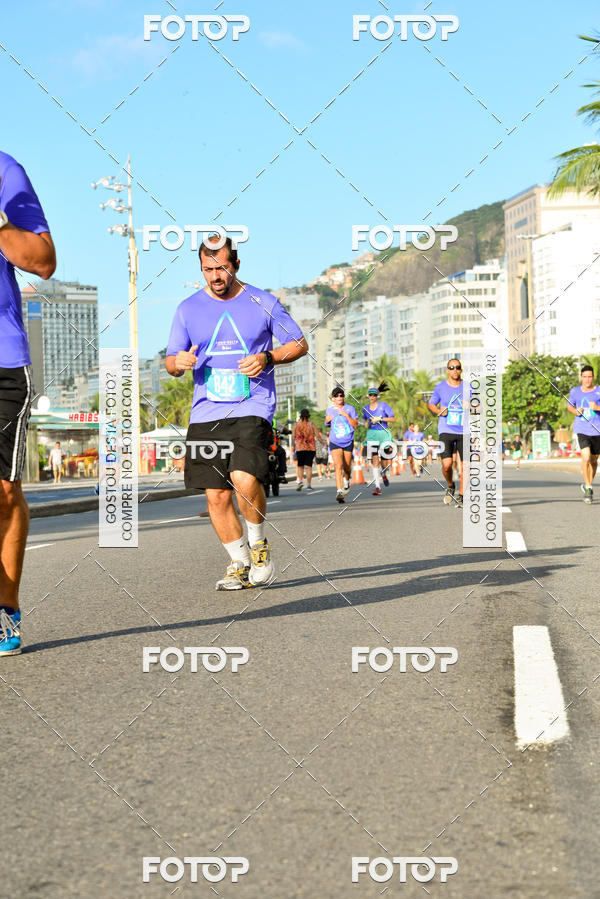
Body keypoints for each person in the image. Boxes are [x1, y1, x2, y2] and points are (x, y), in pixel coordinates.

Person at [165, 235, 307, 590]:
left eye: (222, 268)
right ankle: (239, 562)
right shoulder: (187, 308)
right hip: (205, 413)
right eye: (208, 269)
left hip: (252, 405)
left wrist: (267, 357)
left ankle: (258, 544)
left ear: (237, 265)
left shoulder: (263, 301)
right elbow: (170, 361)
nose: (215, 276)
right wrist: (177, 363)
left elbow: (300, 343)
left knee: (244, 479)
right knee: (215, 494)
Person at [0, 150, 56, 656]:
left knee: (1, 491)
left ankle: (5, 609)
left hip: (1, 356)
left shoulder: (5, 171)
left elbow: (42, 261)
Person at [428, 357, 464, 507]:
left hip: (464, 429)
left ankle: (462, 496)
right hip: (446, 429)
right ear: (447, 370)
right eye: (451, 367)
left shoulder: (468, 387)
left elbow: (479, 407)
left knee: (466, 465)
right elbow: (431, 404)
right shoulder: (440, 387)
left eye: (457, 367)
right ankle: (450, 485)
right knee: (447, 465)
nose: (454, 370)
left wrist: (472, 405)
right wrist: (438, 410)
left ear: (461, 369)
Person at [567, 364, 600, 504]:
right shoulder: (575, 392)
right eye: (585, 377)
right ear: (581, 377)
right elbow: (569, 405)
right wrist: (575, 411)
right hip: (582, 429)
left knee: (594, 461)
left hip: (597, 429)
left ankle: (588, 484)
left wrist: (597, 407)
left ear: (593, 377)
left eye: (589, 377)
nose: (587, 379)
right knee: (586, 457)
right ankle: (588, 488)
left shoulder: (599, 391)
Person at [325, 386, 358, 503]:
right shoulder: (329, 410)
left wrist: (346, 415)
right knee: (338, 466)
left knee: (347, 467)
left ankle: (346, 482)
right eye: (337, 395)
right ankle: (339, 491)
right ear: (333, 398)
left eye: (341, 395)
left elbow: (355, 425)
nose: (339, 397)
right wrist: (327, 420)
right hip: (335, 441)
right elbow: (327, 423)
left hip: (348, 441)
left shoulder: (350, 409)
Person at [362, 387, 395, 495]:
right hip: (372, 435)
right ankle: (377, 487)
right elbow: (365, 422)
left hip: (384, 434)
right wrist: (367, 423)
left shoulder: (384, 406)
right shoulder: (365, 409)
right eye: (370, 395)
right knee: (375, 461)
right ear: (368, 396)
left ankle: (384, 473)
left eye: (374, 395)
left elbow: (393, 419)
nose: (372, 397)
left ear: (377, 396)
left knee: (384, 462)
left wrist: (380, 419)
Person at [292, 409, 321, 491]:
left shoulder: (296, 425)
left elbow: (293, 436)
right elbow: (318, 435)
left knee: (300, 466)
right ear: (309, 416)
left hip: (300, 448)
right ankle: (308, 485)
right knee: (308, 467)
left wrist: (292, 446)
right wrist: (323, 443)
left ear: (300, 416)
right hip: (310, 448)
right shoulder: (311, 424)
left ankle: (300, 482)